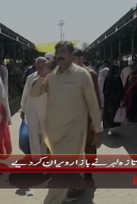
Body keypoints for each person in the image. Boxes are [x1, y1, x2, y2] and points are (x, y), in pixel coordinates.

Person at [30, 41, 102, 203]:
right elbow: (34, 94)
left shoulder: (82, 75)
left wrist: (98, 129)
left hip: (74, 132)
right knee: (66, 168)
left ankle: (52, 201)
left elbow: (93, 104)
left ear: (71, 55)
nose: (59, 55)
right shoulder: (52, 76)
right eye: (57, 52)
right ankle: (79, 184)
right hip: (53, 133)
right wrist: (43, 75)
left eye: (63, 51)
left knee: (60, 170)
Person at [73, 48, 101, 178]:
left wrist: (95, 121)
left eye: (74, 59)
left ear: (81, 58)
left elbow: (96, 99)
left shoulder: (90, 74)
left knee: (89, 146)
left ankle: (89, 172)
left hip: (87, 118)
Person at [20, 57, 48, 159]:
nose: (40, 69)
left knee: (44, 135)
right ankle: (36, 158)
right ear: (36, 66)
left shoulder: (51, 78)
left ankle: (44, 156)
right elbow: (25, 94)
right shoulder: (30, 78)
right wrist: (23, 109)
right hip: (31, 108)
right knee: (33, 134)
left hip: (45, 109)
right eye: (38, 67)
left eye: (42, 67)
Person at [103, 63, 124, 129]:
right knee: (114, 111)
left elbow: (105, 89)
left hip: (108, 98)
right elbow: (120, 88)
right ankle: (113, 124)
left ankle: (107, 123)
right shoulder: (117, 77)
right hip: (115, 98)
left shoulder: (107, 77)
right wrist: (121, 98)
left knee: (108, 111)